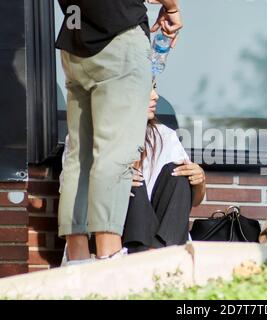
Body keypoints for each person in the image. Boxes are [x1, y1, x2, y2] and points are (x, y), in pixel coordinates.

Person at [55, 0, 183, 264]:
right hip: (118, 36)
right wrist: (171, 8)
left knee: (81, 156)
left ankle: (77, 259)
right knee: (114, 154)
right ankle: (108, 257)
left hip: (74, 40)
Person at [60, 80, 206, 262]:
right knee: (128, 182)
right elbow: (72, 197)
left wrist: (199, 181)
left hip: (160, 238)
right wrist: (112, 184)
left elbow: (194, 200)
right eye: (146, 88)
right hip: (111, 234)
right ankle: (149, 259)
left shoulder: (164, 135)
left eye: (155, 87)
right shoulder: (86, 138)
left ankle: (156, 255)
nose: (155, 96)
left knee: (178, 174)